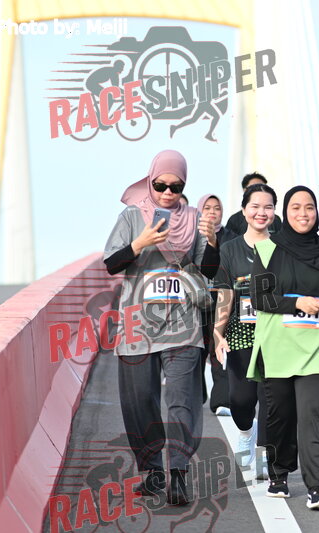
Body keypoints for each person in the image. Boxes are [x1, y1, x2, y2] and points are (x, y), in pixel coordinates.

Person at [103, 149, 219, 505]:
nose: (168, 192)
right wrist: (140, 244)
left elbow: (209, 270)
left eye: (176, 186)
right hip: (137, 329)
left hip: (183, 325)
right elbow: (111, 263)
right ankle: (152, 471)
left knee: (182, 402)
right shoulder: (131, 216)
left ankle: (178, 474)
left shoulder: (195, 219)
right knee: (140, 402)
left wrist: (212, 241)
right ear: (150, 181)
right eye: (161, 185)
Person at [248, 186, 319, 510]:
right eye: (296, 207)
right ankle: (279, 473)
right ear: (285, 213)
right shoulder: (266, 250)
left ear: (317, 212)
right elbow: (260, 298)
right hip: (279, 346)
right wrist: (297, 302)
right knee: (281, 415)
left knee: (315, 414)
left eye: (310, 207)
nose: (303, 214)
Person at [212, 184, 276, 471]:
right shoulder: (230, 249)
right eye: (255, 206)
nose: (261, 212)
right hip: (240, 335)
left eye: (268, 207)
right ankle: (246, 432)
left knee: (270, 400)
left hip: (274, 335)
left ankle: (265, 459)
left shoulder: (282, 249)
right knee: (241, 399)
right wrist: (218, 334)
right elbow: (225, 294)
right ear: (244, 210)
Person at [197, 194, 238, 416]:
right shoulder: (190, 236)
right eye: (207, 208)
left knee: (219, 350)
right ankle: (197, 395)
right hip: (194, 303)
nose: (212, 212)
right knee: (196, 352)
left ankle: (222, 400)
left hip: (221, 301)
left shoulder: (231, 238)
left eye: (217, 208)